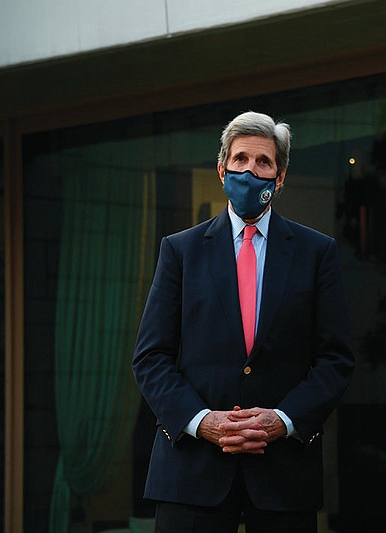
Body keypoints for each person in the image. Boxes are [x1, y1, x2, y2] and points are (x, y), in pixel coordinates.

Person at [132, 111, 354, 533]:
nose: (250, 171)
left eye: (264, 162)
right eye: (240, 160)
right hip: (191, 475)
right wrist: (203, 422)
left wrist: (283, 420)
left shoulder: (316, 252)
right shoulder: (180, 251)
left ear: (280, 176)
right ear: (222, 169)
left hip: (283, 476)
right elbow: (150, 357)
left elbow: (336, 359)